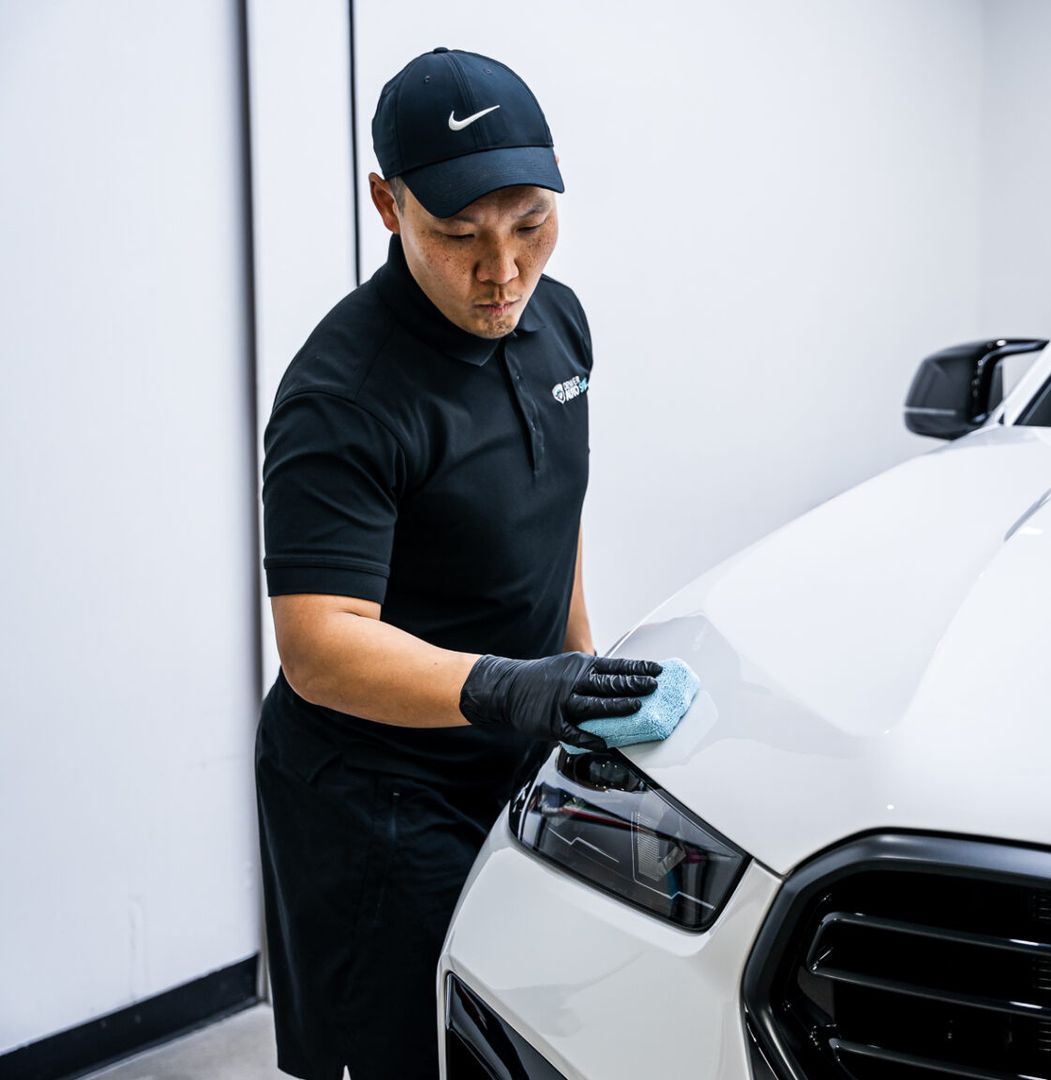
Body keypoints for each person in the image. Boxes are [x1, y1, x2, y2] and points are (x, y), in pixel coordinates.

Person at [253, 47, 659, 1078]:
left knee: (520, 1034)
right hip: (378, 792)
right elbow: (319, 647)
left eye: (531, 225)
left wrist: (578, 672)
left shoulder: (558, 321)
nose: (504, 271)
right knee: (409, 1051)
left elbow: (549, 511)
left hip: (511, 747)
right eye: (460, 236)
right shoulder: (342, 397)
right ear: (388, 205)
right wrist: (520, 689)